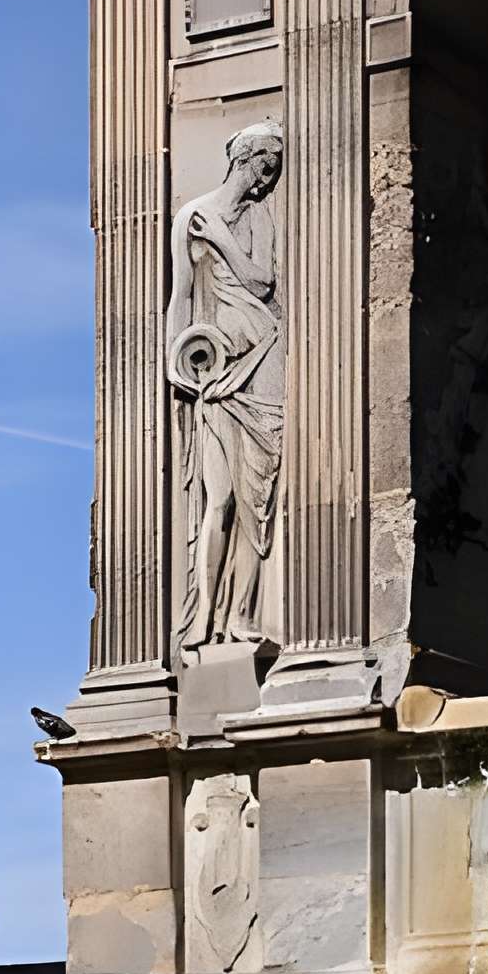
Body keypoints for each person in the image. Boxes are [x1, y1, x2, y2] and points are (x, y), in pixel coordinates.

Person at [166, 122, 285, 654]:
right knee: (221, 497)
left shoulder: (255, 216)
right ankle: (202, 618)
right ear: (245, 156)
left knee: (258, 498)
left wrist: (219, 237)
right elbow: (181, 296)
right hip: (213, 367)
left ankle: (241, 617)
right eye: (267, 163)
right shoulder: (188, 215)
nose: (270, 175)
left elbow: (262, 282)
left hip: (261, 358)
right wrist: (174, 359)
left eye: (277, 168)